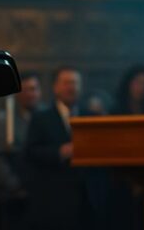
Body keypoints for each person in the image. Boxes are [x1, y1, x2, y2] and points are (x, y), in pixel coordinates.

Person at [24, 66, 94, 230]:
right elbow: (31, 152)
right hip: (54, 197)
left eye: (75, 83)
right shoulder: (41, 118)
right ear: (56, 87)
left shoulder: (91, 116)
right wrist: (59, 152)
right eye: (67, 83)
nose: (72, 87)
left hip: (87, 198)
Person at [0, 72, 42, 230]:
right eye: (26, 90)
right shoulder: (4, 119)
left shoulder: (46, 116)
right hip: (12, 193)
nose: (31, 94)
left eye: (34, 89)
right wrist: (14, 185)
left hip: (42, 192)